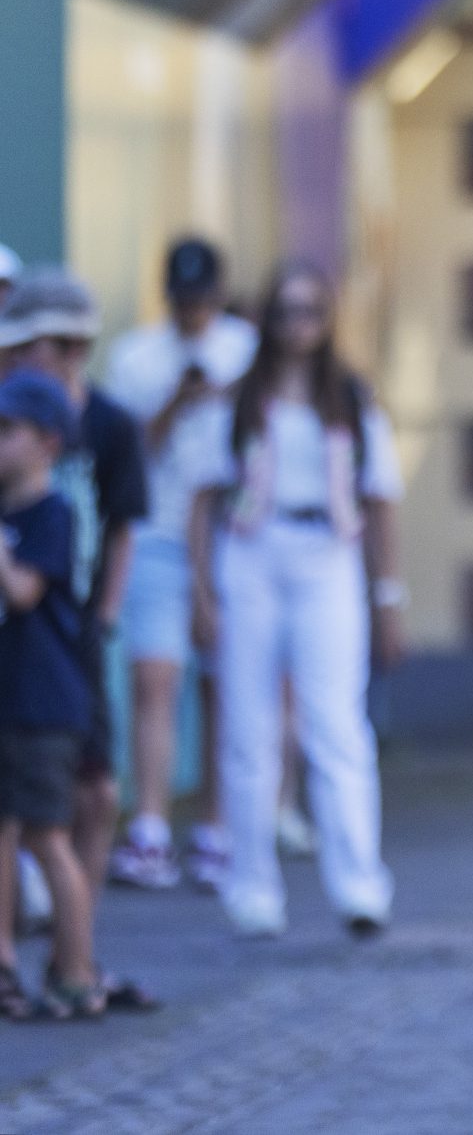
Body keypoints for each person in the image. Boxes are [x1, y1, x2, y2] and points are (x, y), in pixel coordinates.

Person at [188, 262, 403, 939]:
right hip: (252, 550)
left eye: (310, 310)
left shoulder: (351, 400)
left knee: (335, 722)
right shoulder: (238, 402)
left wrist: (388, 593)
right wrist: (202, 589)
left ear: (328, 317)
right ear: (267, 319)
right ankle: (250, 884)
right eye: (285, 311)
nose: (297, 325)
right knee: (247, 726)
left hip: (328, 553)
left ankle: (360, 882)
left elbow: (381, 498)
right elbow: (200, 498)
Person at [0, 269, 158, 1014]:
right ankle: (22, 959)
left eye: (64, 345)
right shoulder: (14, 416)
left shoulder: (107, 425)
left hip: (75, 633)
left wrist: (106, 616)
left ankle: (77, 954)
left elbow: (125, 524)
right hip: (20, 639)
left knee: (93, 795)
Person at [104, 237, 259, 892]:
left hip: (235, 534)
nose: (192, 311)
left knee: (224, 684)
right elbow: (128, 454)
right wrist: (177, 401)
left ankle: (217, 828)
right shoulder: (137, 356)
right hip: (160, 532)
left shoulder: (249, 352)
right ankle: (151, 826)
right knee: (154, 677)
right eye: (182, 299)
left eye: (202, 299)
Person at [0, 370, 105, 1019]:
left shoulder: (51, 513)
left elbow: (24, 593)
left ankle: (77, 970)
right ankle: (10, 961)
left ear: (45, 442)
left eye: (5, 431)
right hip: (10, 703)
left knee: (47, 837)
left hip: (45, 708)